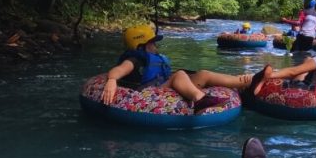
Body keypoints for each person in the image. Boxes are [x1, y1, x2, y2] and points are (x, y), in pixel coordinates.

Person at [102, 24, 256, 112]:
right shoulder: (134, 60)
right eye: (153, 43)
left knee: (203, 74)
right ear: (142, 45)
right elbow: (118, 70)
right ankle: (199, 100)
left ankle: (243, 82)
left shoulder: (149, 58)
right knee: (179, 75)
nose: (156, 46)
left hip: (161, 85)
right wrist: (111, 80)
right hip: (149, 93)